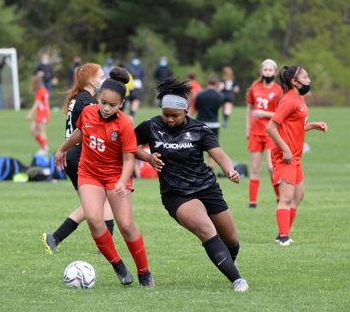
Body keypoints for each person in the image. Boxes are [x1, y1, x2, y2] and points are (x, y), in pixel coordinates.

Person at [134, 78, 248, 292]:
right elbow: (127, 145)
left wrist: (230, 170)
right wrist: (147, 157)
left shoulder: (199, 129)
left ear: (186, 111)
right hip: (176, 193)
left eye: (175, 115)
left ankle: (226, 264)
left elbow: (219, 154)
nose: (169, 119)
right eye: (165, 114)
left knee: (231, 239)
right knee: (206, 229)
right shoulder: (151, 126)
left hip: (207, 188)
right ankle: (237, 280)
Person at [54, 68, 154, 287]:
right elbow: (80, 132)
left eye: (113, 105)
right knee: (93, 218)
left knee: (126, 225)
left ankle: (144, 272)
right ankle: (118, 265)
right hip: (89, 172)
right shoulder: (88, 112)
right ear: (98, 97)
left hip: (116, 176)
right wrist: (62, 148)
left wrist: (122, 182)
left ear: (121, 104)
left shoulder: (124, 124)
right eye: (104, 102)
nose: (107, 108)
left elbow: (129, 158)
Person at [41, 63, 115, 253]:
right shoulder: (88, 102)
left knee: (93, 205)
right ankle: (102, 246)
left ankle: (56, 238)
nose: (104, 79)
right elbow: (89, 130)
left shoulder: (78, 98)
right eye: (101, 76)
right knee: (101, 201)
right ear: (91, 80)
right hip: (83, 155)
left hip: (72, 155)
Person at [266, 65, 328, 246]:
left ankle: (282, 234)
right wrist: (285, 149)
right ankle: (283, 237)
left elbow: (293, 126)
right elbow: (271, 127)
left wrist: (312, 125)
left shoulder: (299, 98)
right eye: (305, 77)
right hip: (285, 156)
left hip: (295, 156)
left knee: (298, 196)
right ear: (294, 81)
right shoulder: (289, 100)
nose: (309, 80)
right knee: (286, 198)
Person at [246, 59, 283, 208]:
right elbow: (250, 108)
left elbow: (282, 113)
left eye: (270, 70)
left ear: (275, 72)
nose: (267, 72)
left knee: (271, 167)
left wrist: (264, 113)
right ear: (261, 71)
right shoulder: (255, 88)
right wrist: (248, 128)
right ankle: (252, 202)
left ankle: (279, 197)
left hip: (270, 132)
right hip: (256, 132)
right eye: (265, 70)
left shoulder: (278, 90)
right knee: (255, 168)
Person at [194, 74, 224, 169]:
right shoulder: (220, 96)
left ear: (207, 82)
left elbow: (196, 108)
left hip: (200, 123)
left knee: (197, 145)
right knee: (212, 146)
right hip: (214, 124)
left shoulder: (200, 94)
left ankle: (198, 166)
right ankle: (210, 167)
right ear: (216, 83)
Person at [26, 74, 50, 154]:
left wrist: (30, 114)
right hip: (41, 113)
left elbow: (37, 104)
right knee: (32, 129)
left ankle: (43, 149)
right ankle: (44, 146)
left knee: (41, 131)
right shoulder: (44, 90)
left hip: (42, 114)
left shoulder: (41, 92)